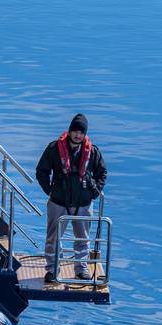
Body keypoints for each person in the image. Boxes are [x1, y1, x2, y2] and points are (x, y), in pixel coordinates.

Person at [35, 113, 107, 284]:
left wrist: (93, 193)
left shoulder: (93, 152)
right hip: (58, 201)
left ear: (85, 134)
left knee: (83, 238)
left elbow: (102, 173)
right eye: (75, 131)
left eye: (81, 132)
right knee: (53, 237)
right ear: (69, 131)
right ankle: (52, 269)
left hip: (83, 203)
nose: (77, 135)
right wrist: (50, 191)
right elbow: (41, 171)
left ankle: (81, 269)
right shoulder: (54, 149)